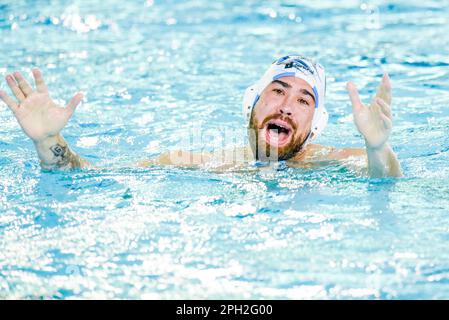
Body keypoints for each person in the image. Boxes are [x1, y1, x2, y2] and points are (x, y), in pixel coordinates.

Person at [0, 55, 402, 177]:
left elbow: (390, 184)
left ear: (315, 127)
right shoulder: (195, 164)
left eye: (303, 101)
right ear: (251, 105)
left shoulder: (345, 162)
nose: (285, 106)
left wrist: (379, 147)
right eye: (277, 90)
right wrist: (47, 141)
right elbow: (89, 177)